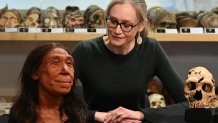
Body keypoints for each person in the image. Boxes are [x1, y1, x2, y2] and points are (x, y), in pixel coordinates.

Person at [71, 0, 187, 122]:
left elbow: (189, 104)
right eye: (113, 21)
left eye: (126, 25)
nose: (117, 30)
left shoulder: (151, 49)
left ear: (142, 25)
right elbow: (54, 102)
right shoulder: (85, 51)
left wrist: (141, 115)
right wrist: (97, 115)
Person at [8, 43, 87, 123]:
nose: (66, 70)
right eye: (55, 63)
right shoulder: (21, 115)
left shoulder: (77, 111)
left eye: (69, 63)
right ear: (35, 73)